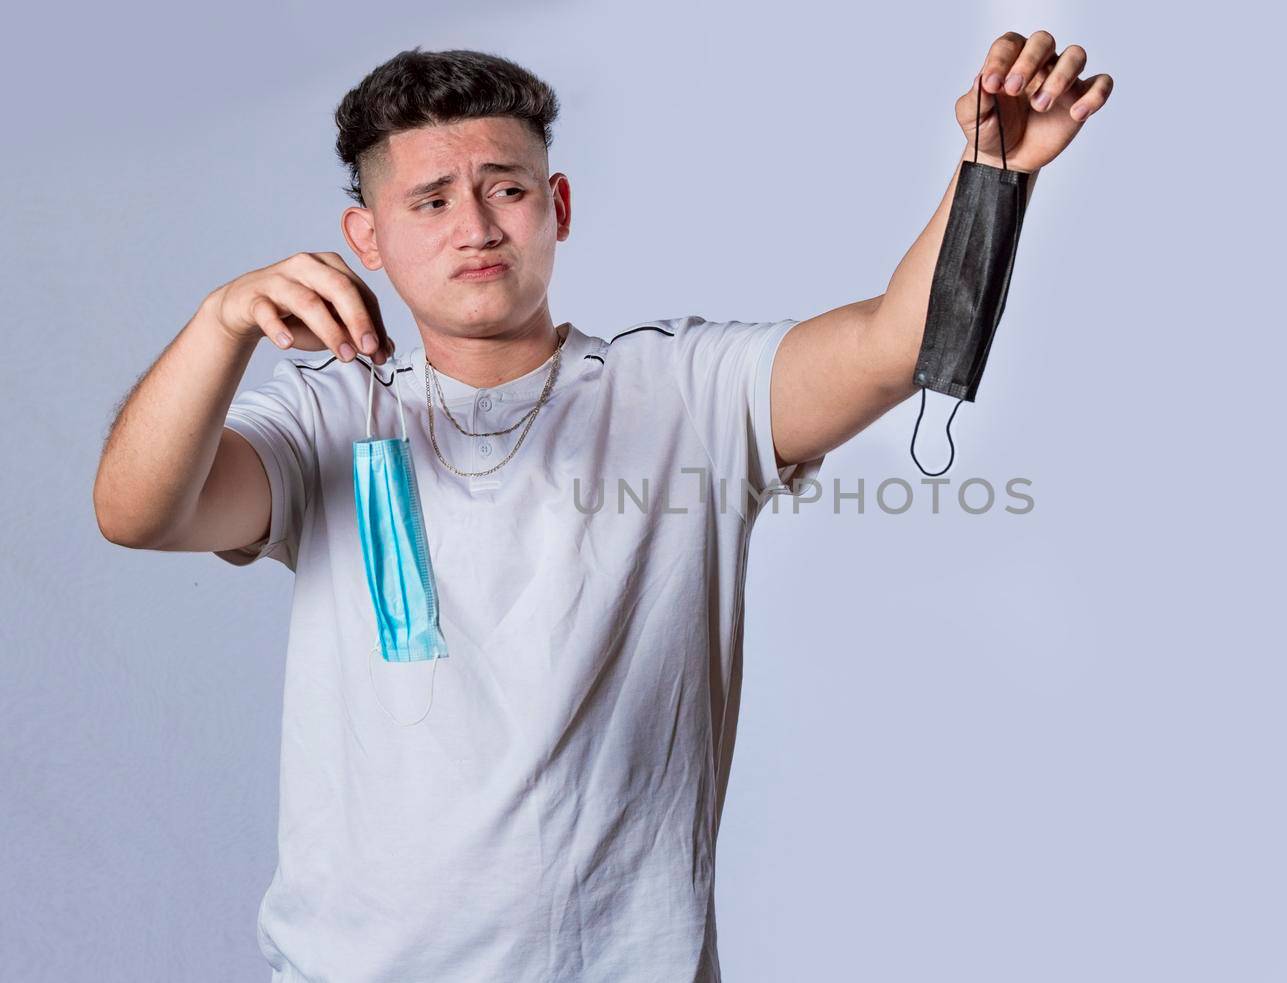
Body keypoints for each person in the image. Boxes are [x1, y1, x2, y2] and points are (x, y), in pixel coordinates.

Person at [93, 36, 1109, 983]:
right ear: (368, 236)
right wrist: (220, 321)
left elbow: (895, 343)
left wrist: (993, 175)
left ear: (557, 203)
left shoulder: (687, 392)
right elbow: (137, 510)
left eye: (505, 188)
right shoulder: (324, 415)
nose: (478, 226)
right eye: (431, 200)